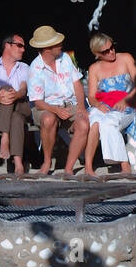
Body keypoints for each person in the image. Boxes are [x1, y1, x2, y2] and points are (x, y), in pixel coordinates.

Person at [27, 25, 90, 175]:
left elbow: (77, 84)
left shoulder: (66, 58)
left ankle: (69, 167)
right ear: (47, 48)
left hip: (70, 103)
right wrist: (56, 110)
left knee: (83, 123)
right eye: (57, 43)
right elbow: (37, 101)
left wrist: (81, 107)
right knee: (49, 119)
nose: (61, 44)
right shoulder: (35, 67)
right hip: (47, 106)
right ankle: (47, 161)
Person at [84, 32, 136, 175]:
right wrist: (98, 105)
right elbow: (92, 96)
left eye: (112, 47)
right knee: (94, 122)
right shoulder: (94, 68)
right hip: (104, 105)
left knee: (108, 123)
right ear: (97, 53)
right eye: (105, 51)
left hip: (126, 103)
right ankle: (88, 166)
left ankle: (124, 165)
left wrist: (126, 99)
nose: (111, 52)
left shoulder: (125, 58)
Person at [0, 31, 31, 174]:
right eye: (19, 45)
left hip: (21, 106)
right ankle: (18, 164)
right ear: (7, 46)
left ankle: (4, 137)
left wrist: (15, 95)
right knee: (16, 118)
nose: (23, 49)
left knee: (8, 90)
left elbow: (23, 88)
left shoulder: (24, 67)